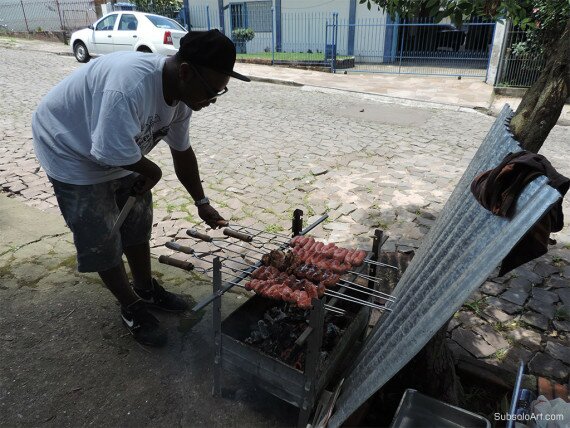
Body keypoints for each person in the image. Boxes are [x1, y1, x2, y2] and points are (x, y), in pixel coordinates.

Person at [31, 30, 250, 347]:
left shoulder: (184, 96)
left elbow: (182, 151)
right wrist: (152, 169)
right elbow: (105, 150)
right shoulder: (130, 86)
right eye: (211, 91)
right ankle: (131, 306)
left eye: (220, 91)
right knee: (101, 236)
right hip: (70, 148)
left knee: (137, 219)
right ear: (186, 71)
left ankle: (145, 288)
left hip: (115, 145)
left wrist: (201, 201)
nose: (213, 100)